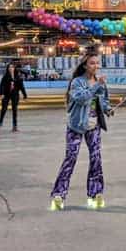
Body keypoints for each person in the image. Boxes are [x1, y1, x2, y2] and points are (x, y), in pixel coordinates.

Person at [49, 53, 114, 211]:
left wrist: (108, 109)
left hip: (94, 125)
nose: (95, 66)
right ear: (85, 65)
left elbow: (103, 101)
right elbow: (82, 99)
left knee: (96, 158)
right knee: (70, 158)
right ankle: (59, 194)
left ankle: (95, 193)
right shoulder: (77, 82)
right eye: (92, 63)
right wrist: (97, 85)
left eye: (97, 63)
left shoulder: (99, 83)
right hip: (76, 125)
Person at [0, 63, 27, 132]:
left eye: (12, 67)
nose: (11, 68)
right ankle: (0, 121)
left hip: (15, 95)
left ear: (14, 68)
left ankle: (14, 125)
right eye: (9, 67)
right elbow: (1, 85)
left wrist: (25, 95)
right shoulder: (5, 76)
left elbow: (21, 86)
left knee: (14, 110)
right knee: (4, 108)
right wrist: (1, 93)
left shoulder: (18, 77)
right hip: (6, 94)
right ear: (7, 69)